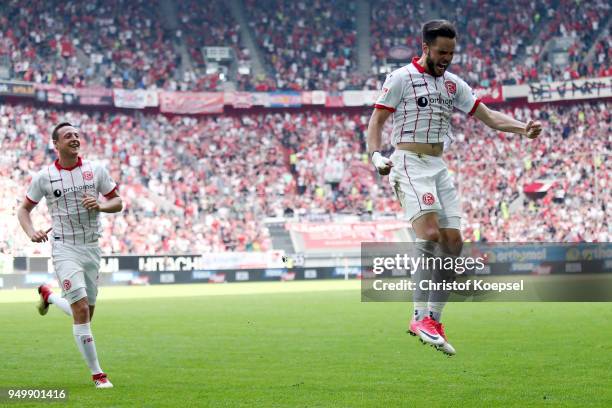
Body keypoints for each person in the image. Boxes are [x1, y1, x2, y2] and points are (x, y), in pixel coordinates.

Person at [366, 20, 542, 356]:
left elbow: (488, 117)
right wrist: (375, 155)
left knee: (453, 243)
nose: (447, 58)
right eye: (441, 52)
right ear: (425, 47)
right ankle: (418, 316)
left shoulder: (452, 85)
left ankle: (434, 318)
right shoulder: (401, 78)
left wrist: (523, 129)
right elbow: (377, 120)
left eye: (452, 52)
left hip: (438, 166)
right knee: (430, 234)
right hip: (408, 161)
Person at [17, 122, 123, 388]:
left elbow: (117, 201)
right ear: (56, 144)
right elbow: (23, 210)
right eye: (68, 136)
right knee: (81, 309)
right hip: (64, 248)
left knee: (86, 313)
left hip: (91, 247)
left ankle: (49, 296)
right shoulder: (45, 176)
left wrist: (100, 205)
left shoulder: (95, 170)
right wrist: (31, 232)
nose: (75, 138)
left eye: (76, 134)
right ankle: (98, 374)